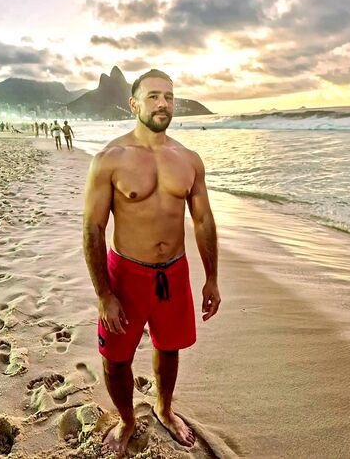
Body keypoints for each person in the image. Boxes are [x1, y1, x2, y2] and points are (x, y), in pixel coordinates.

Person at [83, 69, 220, 457]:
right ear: (134, 104)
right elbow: (93, 228)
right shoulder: (109, 159)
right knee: (115, 361)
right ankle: (126, 420)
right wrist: (104, 295)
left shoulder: (189, 160)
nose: (163, 104)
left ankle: (163, 407)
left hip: (174, 272)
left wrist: (212, 278)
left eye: (169, 97)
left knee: (169, 347)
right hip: (126, 274)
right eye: (154, 96)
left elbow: (203, 220)